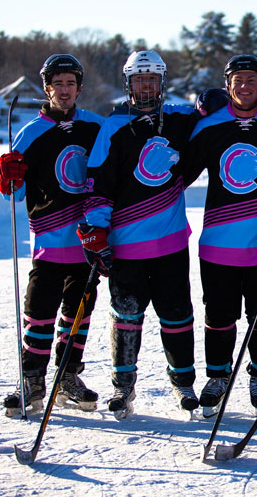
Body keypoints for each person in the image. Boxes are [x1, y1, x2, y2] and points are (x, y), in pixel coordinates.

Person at [80, 50, 201, 420]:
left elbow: (222, 115)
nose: (145, 85)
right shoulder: (114, 126)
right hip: (126, 245)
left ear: (161, 82)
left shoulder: (180, 118)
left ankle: (183, 383)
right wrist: (96, 230)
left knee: (177, 314)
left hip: (169, 243)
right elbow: (98, 182)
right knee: (126, 315)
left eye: (152, 79)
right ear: (128, 83)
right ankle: (123, 386)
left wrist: (214, 99)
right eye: (139, 79)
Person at [181, 55, 257, 417]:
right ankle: (217, 377)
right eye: (238, 80)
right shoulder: (211, 126)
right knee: (219, 316)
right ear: (228, 85)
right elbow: (179, 175)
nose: (245, 86)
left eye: (252, 79)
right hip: (218, 243)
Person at [0, 54, 105, 418]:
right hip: (49, 240)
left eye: (70, 83)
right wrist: (6, 178)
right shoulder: (30, 133)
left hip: (88, 242)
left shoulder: (96, 127)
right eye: (57, 84)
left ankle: (67, 376)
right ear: (47, 88)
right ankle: (32, 379)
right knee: (40, 312)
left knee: (79, 313)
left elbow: (112, 171)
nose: (64, 90)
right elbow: (15, 193)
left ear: (79, 87)